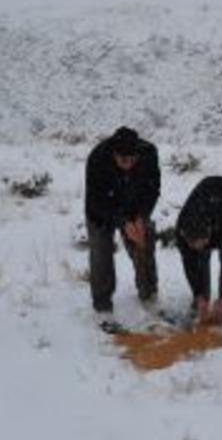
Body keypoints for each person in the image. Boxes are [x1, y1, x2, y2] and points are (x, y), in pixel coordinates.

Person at [85, 126, 160, 329]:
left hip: (134, 205)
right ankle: (102, 306)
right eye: (122, 160)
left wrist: (141, 217)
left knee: (144, 243)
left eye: (132, 160)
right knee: (101, 254)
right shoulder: (97, 158)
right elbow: (96, 200)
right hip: (102, 210)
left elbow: (153, 189)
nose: (128, 165)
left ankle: (148, 294)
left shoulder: (149, 154)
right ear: (114, 154)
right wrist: (121, 221)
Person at [176, 176, 222, 328]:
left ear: (209, 233)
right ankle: (201, 301)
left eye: (202, 243)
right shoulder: (181, 229)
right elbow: (190, 264)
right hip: (207, 196)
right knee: (199, 259)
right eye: (194, 245)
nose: (199, 247)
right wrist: (198, 294)